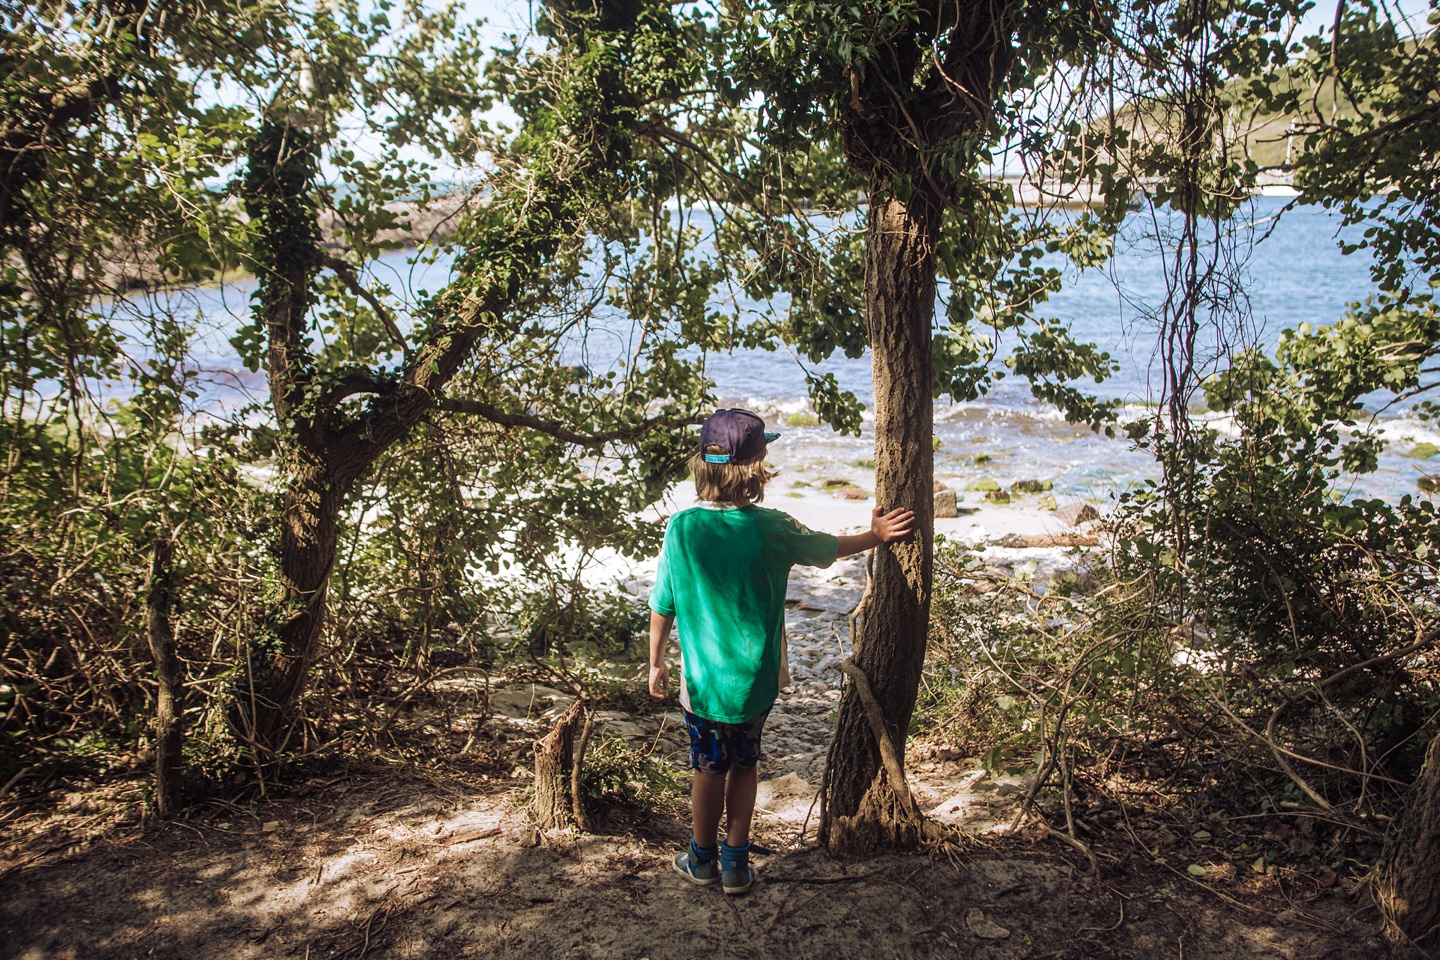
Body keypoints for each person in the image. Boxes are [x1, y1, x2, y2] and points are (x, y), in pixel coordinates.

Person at [647, 408, 914, 895]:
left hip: (702, 684)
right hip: (756, 680)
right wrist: (875, 536)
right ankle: (736, 865)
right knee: (745, 766)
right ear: (756, 470)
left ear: (703, 466)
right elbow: (827, 548)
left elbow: (662, 604)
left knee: (706, 768)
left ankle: (701, 858)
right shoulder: (772, 527)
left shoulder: (680, 528)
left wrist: (655, 660)